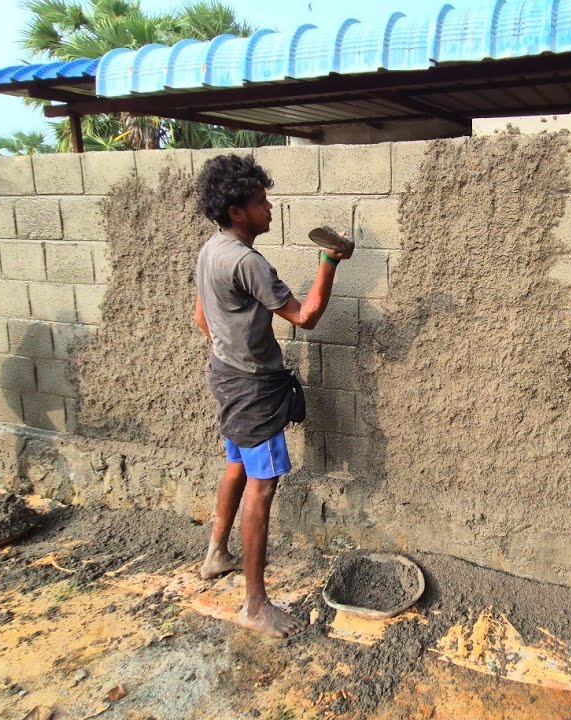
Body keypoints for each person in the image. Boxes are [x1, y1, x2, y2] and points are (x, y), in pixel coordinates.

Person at [192, 154, 351, 638]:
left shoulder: (211, 250)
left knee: (238, 464)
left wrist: (233, 348)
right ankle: (255, 605)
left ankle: (217, 554)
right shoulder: (247, 261)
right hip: (252, 389)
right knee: (262, 487)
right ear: (238, 211)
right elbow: (305, 317)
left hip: (226, 376)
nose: (270, 207)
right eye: (261, 201)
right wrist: (330, 261)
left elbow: (201, 318)